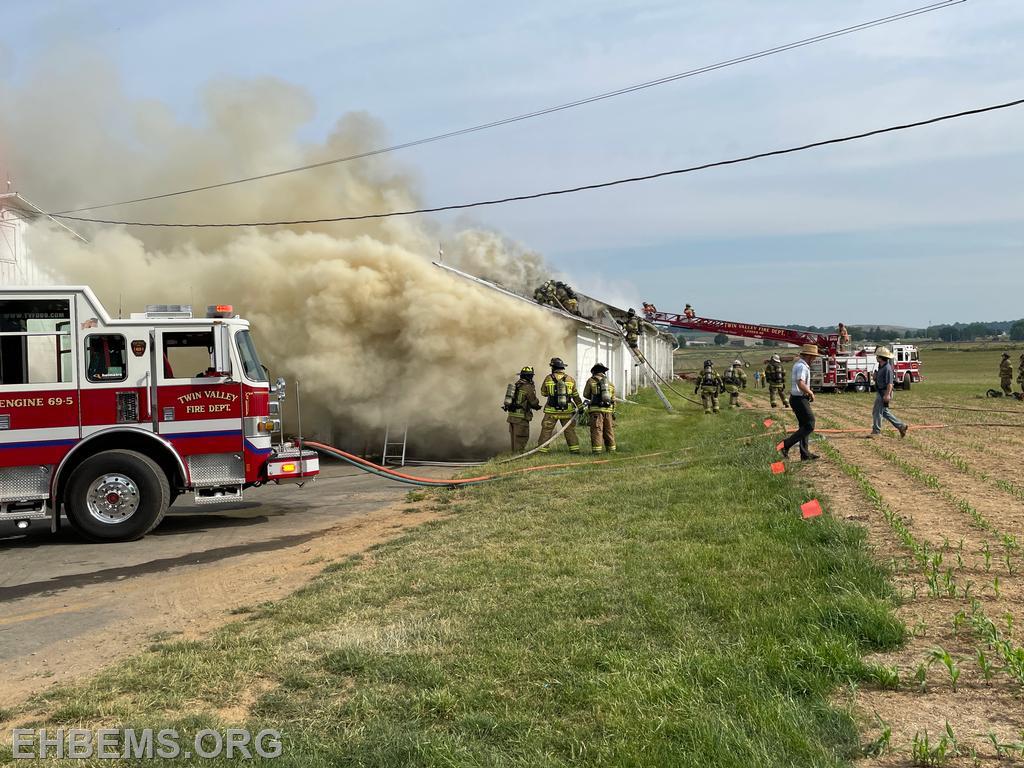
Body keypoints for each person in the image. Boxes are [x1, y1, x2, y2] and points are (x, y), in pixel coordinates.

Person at [780, 344, 820, 461]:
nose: (814, 359)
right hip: (799, 398)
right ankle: (786, 445)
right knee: (810, 424)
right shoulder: (802, 366)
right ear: (808, 356)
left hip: (797, 398)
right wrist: (810, 392)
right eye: (813, 356)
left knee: (804, 425)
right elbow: (800, 383)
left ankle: (805, 454)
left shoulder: (799, 364)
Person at [537, 357, 583, 453]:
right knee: (569, 430)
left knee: (546, 430)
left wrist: (552, 392)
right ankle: (575, 450)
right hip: (567, 411)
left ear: (553, 368)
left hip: (551, 411)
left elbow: (543, 393)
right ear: (562, 368)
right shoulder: (570, 379)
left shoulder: (548, 378)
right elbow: (575, 396)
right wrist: (580, 407)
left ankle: (542, 451)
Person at [871, 347, 909, 438]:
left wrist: (887, 394)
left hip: (884, 393)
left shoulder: (887, 368)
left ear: (880, 357)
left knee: (877, 411)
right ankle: (901, 426)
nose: (876, 357)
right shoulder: (881, 366)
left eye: (877, 356)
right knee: (884, 412)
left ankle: (876, 432)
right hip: (881, 392)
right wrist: (875, 377)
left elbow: (890, 384)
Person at [503, 366, 541, 453]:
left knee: (514, 440)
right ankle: (518, 457)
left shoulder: (516, 385)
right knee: (521, 439)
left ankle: (514, 456)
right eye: (531, 376)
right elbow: (533, 402)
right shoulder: (527, 387)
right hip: (521, 418)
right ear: (529, 376)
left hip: (512, 417)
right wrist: (537, 405)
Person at [583, 363, 616, 453]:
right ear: (603, 372)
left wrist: (594, 397)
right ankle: (611, 450)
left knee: (597, 430)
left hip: (596, 411)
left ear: (594, 372)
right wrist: (613, 412)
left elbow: (585, 394)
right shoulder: (610, 383)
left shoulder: (591, 381)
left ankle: (597, 451)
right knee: (609, 430)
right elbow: (613, 399)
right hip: (608, 411)